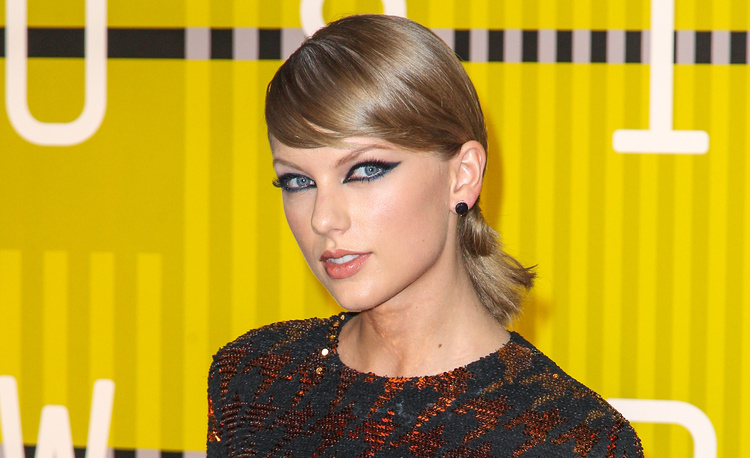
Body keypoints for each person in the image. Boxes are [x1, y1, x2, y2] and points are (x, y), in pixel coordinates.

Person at [207, 14, 643, 457]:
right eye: (297, 181)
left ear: (463, 175)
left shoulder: (571, 440)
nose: (323, 219)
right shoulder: (254, 381)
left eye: (365, 171)